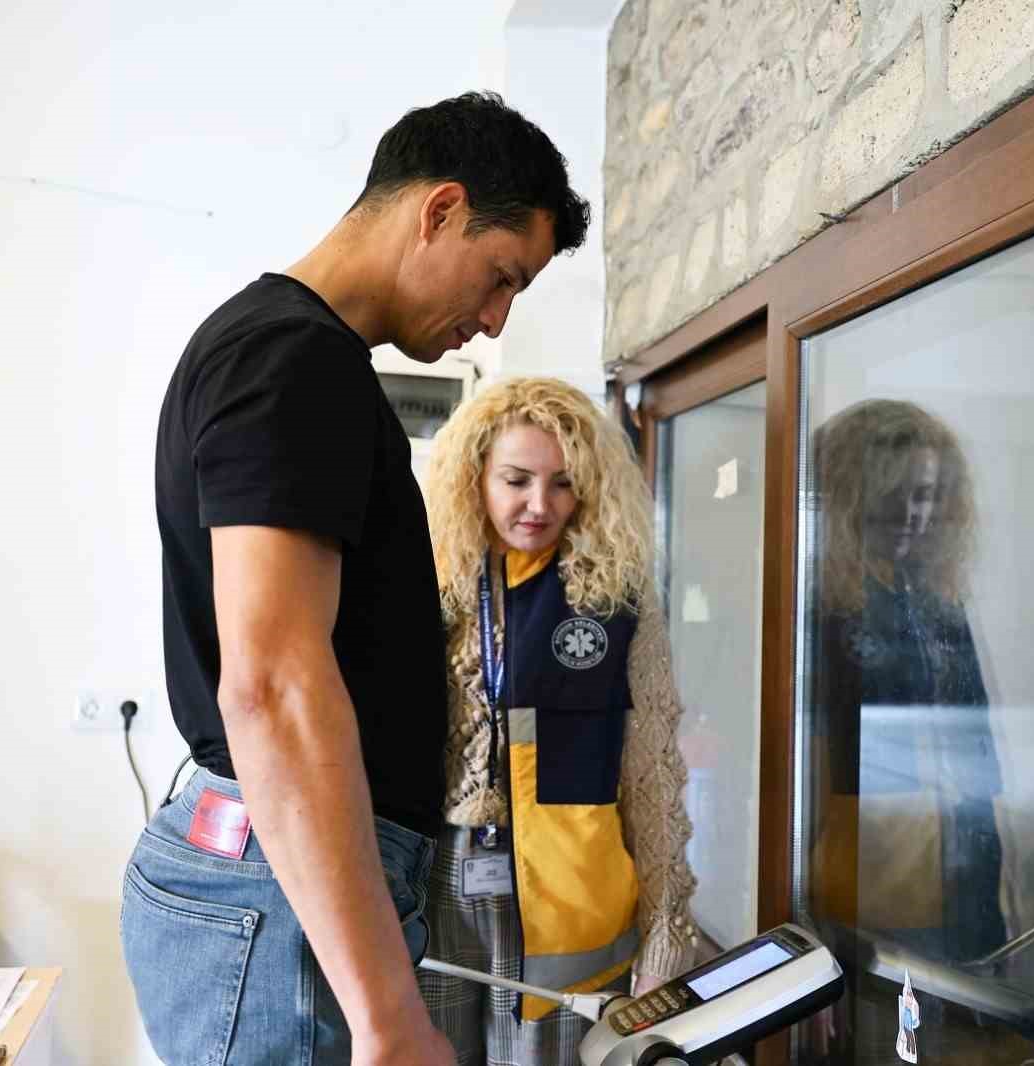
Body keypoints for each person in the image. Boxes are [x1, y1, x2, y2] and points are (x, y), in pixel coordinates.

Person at [122, 93, 590, 1066]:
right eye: (500, 277)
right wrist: (387, 1017)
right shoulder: (297, 362)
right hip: (280, 901)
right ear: (440, 210)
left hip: (274, 883)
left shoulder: (279, 350)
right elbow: (275, 688)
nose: (495, 317)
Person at [418, 376, 697, 1066]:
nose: (539, 505)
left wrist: (664, 931)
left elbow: (653, 770)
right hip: (435, 882)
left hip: (569, 898)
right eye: (516, 479)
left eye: (563, 485)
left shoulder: (619, 599)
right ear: (473, 475)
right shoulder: (428, 586)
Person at [804, 400, 1007, 1065]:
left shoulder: (942, 609)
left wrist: (991, 900)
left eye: (927, 493)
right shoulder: (824, 615)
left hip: (958, 894)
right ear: (850, 498)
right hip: (865, 900)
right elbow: (804, 780)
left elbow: (981, 769)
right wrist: (811, 929)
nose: (912, 514)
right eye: (893, 493)